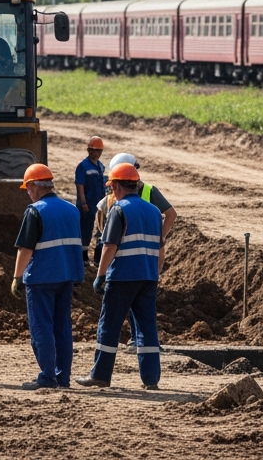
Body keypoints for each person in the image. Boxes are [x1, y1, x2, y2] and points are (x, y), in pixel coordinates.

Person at [76, 162, 163, 390]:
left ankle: (101, 375)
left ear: (116, 186)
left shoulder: (119, 209)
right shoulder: (154, 211)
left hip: (123, 276)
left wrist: (101, 275)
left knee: (110, 325)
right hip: (148, 276)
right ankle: (151, 378)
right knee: (146, 328)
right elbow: (159, 246)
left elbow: (109, 246)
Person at [12, 164, 85, 390]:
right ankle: (62, 377)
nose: (27, 193)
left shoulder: (35, 211)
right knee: (62, 327)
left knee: (41, 327)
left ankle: (47, 377)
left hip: (42, 278)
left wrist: (17, 277)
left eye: (28, 188)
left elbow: (25, 249)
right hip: (67, 276)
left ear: (35, 186)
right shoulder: (71, 209)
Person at [94, 153, 178, 264]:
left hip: (139, 250)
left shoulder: (149, 191)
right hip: (123, 252)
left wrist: (160, 237)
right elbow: (102, 227)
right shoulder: (108, 199)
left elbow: (171, 214)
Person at [74, 136, 107, 261]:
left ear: (101, 152)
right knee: (85, 229)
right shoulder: (83, 166)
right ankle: (83, 256)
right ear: (88, 151)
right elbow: (80, 185)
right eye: (92, 150)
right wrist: (83, 202)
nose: (95, 153)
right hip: (87, 203)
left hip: (98, 203)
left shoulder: (100, 166)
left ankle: (97, 256)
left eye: (97, 151)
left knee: (100, 228)